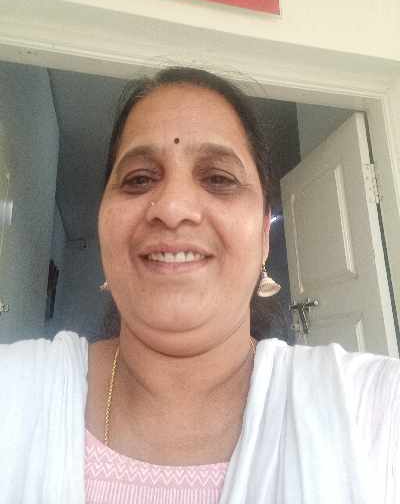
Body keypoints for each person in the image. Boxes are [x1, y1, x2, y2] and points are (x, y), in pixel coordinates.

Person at [0, 67, 399, 504]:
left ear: (264, 234)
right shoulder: (14, 394)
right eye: (139, 179)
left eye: (218, 179)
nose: (172, 208)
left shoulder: (374, 415)